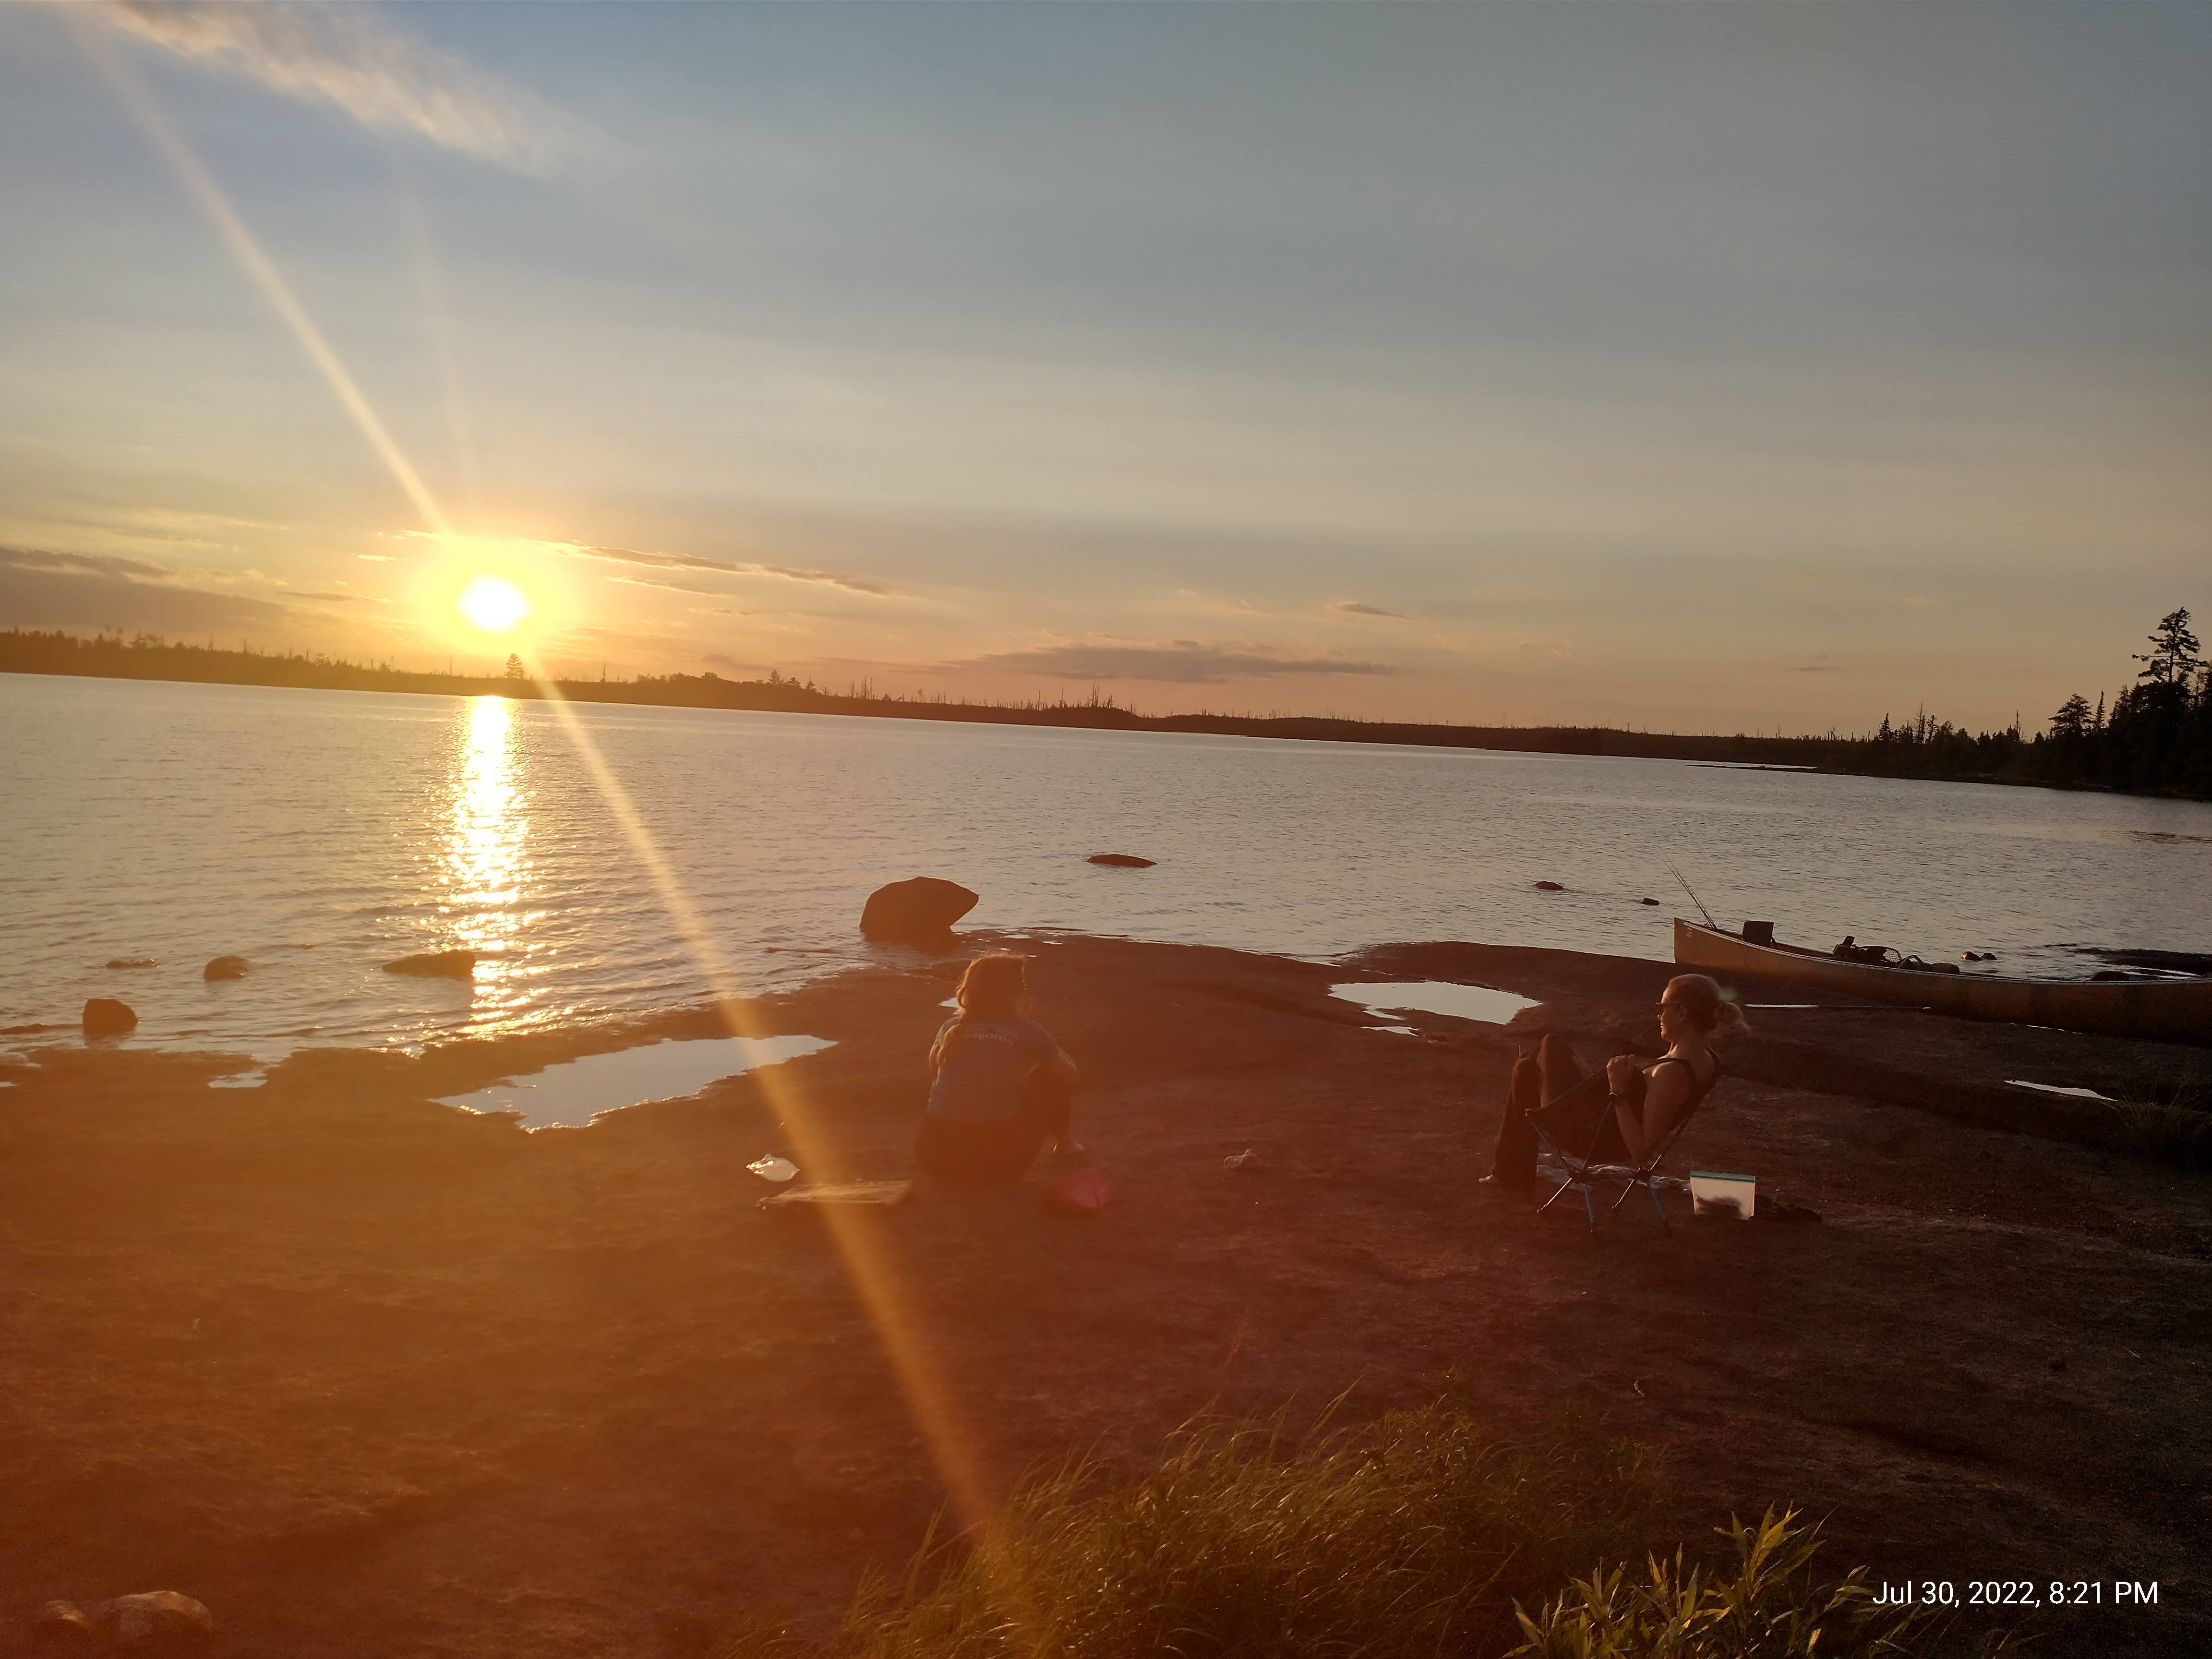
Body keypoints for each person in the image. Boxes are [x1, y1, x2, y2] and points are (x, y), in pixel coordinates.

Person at [1481, 973, 1744, 1189]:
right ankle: (1508, 1175)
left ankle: (1509, 1174)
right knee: (1526, 1069)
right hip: (1598, 1120)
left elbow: (1642, 1152)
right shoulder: (1705, 1058)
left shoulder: (1672, 1074)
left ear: (1682, 1012)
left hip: (1591, 1139)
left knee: (1550, 1045)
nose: (1658, 1016)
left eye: (1662, 1008)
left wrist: (1617, 1090)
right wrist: (1599, 1082)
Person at [914, 952, 1082, 1186]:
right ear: (1014, 992)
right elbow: (1069, 1076)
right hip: (997, 1167)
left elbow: (935, 1069)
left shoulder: (951, 1027)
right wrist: (1032, 1028)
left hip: (935, 1160)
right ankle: (1067, 1145)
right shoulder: (1028, 1031)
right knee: (1047, 1077)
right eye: (1022, 984)